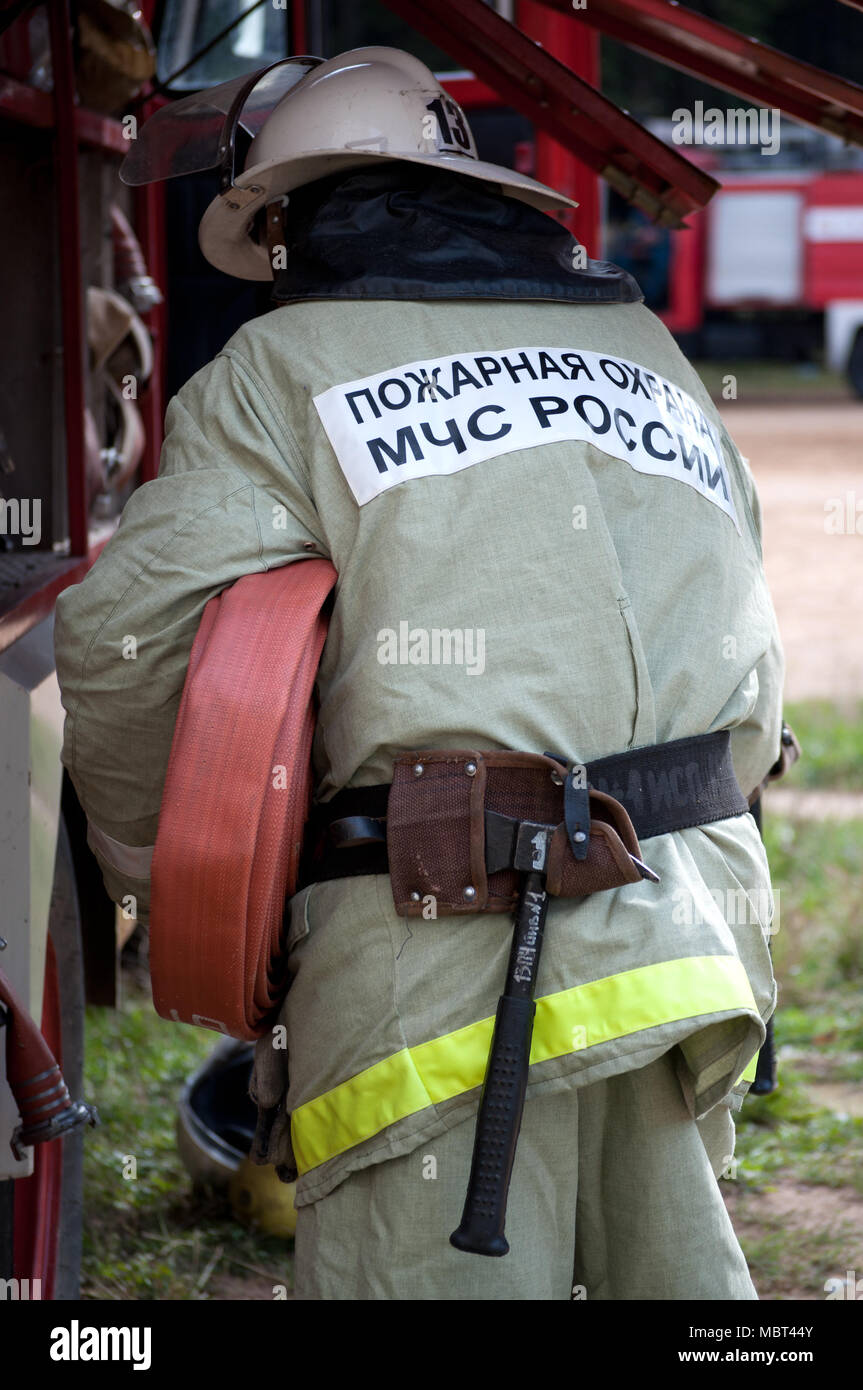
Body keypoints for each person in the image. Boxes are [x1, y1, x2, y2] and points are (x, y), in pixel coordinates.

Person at [54, 46, 785, 1301]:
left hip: (435, 957)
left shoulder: (277, 373)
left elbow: (121, 646)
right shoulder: (647, 350)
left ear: (290, 220)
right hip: (686, 934)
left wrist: (179, 895)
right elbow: (745, 650)